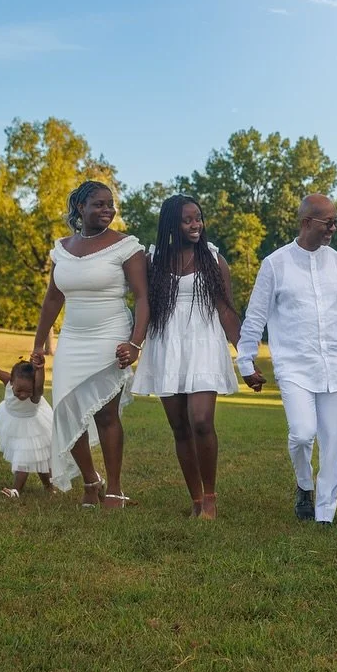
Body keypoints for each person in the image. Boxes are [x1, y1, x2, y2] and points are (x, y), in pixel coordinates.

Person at [237, 194, 337, 525]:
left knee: (334, 442)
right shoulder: (275, 264)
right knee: (301, 433)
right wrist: (246, 360)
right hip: (294, 364)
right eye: (329, 223)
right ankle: (303, 484)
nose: (334, 229)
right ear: (306, 222)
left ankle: (325, 514)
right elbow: (255, 316)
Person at [32, 181, 148, 509]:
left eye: (110, 204)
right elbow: (53, 297)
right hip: (72, 337)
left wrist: (135, 343)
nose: (107, 210)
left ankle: (114, 487)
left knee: (106, 414)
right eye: (98, 204)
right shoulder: (62, 249)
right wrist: (39, 343)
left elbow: (142, 298)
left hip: (110, 334)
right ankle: (90, 480)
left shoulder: (127, 246)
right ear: (80, 208)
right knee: (67, 408)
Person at [133, 195, 240, 519]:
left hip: (204, 344)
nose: (196, 225)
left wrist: (244, 353)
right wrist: (133, 344)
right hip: (167, 345)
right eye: (187, 220)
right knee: (179, 427)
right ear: (171, 224)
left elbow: (225, 308)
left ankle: (210, 497)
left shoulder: (212, 259)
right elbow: (143, 304)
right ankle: (195, 499)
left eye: (198, 218)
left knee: (201, 421)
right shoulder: (153, 261)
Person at [0, 350, 55, 499]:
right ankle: (48, 487)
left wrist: (40, 368)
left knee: (29, 458)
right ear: (11, 382)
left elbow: (40, 383)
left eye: (27, 391)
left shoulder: (36, 393)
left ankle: (17, 490)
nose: (23, 395)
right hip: (13, 423)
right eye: (19, 391)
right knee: (36, 458)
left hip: (33, 427)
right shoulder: (8, 381)